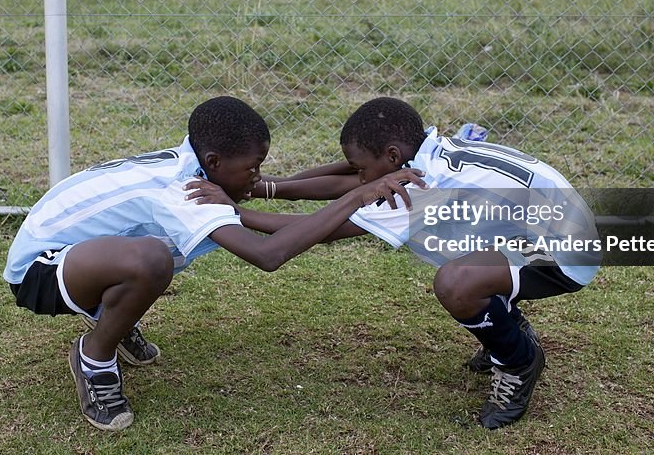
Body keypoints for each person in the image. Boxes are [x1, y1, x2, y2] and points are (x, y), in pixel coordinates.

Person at [3, 96, 424, 432]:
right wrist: (357, 197)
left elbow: (311, 186)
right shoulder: (185, 191)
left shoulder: (200, 163)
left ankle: (110, 314)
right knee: (150, 259)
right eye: (251, 169)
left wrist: (363, 178)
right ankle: (94, 358)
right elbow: (267, 255)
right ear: (216, 162)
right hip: (39, 271)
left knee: (151, 253)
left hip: (80, 253)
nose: (256, 177)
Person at [240, 97, 600, 429]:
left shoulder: (423, 185)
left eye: (363, 168)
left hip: (565, 254)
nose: (361, 178)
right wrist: (267, 187)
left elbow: (326, 228)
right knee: (466, 261)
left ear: (393, 155)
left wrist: (232, 214)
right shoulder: (428, 149)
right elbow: (348, 182)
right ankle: (507, 328)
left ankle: (518, 362)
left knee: (456, 282)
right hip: (548, 229)